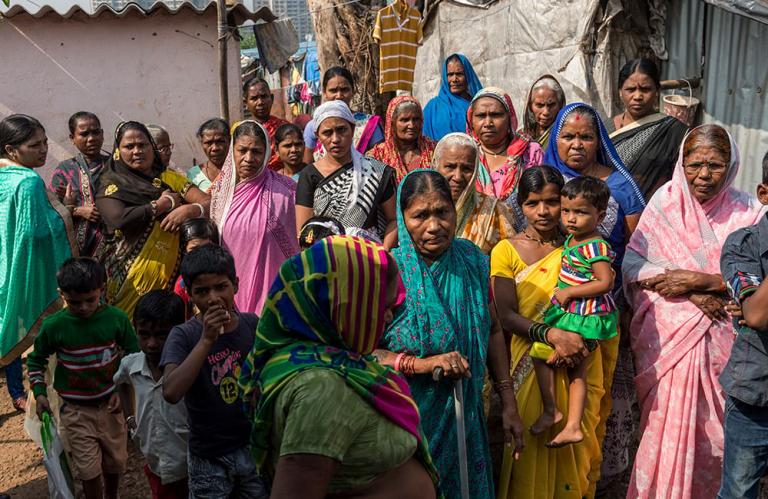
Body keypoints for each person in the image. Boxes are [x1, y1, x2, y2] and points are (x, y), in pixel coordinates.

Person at [622, 125, 766, 499]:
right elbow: (634, 266)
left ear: (732, 165)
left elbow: (757, 279)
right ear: (681, 163)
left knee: (719, 440)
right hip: (669, 346)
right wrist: (689, 292)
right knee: (664, 428)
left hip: (728, 353)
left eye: (715, 165)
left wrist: (703, 282)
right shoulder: (664, 203)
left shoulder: (749, 212)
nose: (704, 175)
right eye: (695, 164)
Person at [238, 235, 440, 498]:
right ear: (345, 303)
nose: (390, 316)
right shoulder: (321, 389)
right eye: (382, 305)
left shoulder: (321, 359)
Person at [376, 170, 524, 499]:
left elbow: (494, 330)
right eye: (420, 215)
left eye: (443, 212)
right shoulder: (389, 272)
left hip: (466, 417)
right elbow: (366, 355)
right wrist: (421, 365)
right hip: (409, 427)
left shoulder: (472, 260)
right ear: (402, 218)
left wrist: (508, 401)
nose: (434, 226)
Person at [492, 165, 612, 498]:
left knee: (575, 450)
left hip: (579, 359)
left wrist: (578, 341)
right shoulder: (507, 250)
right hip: (532, 364)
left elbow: (602, 300)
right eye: (532, 203)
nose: (543, 211)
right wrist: (550, 335)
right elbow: (505, 315)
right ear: (520, 205)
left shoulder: (581, 247)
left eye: (551, 202)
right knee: (530, 450)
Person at [543, 102, 645, 489]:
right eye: (567, 136)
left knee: (598, 400)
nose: (577, 144)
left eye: (586, 136)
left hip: (602, 313)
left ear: (600, 139)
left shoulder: (620, 184)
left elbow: (637, 249)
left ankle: (591, 483)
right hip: (552, 310)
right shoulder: (548, 182)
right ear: (555, 139)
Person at [161, 245, 267, 498]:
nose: (213, 298)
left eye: (221, 287)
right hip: (208, 456)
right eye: (202, 291)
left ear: (236, 285)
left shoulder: (252, 324)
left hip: (251, 448)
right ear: (190, 294)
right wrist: (206, 341)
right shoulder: (184, 335)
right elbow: (171, 391)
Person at [28, 258, 139, 499]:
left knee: (115, 463)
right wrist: (39, 394)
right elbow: (36, 361)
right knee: (88, 470)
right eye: (75, 302)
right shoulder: (54, 326)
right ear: (62, 295)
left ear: (102, 289)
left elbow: (133, 355)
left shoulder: (116, 319)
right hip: (76, 411)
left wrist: (123, 393)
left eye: (91, 300)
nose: (85, 308)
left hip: (111, 406)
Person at [530, 176, 618, 447]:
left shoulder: (594, 244)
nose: (570, 218)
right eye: (566, 211)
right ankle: (561, 417)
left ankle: (563, 419)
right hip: (574, 313)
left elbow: (605, 281)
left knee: (551, 358)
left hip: (585, 315)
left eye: (580, 212)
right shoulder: (575, 239)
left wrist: (568, 292)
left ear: (600, 215)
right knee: (569, 369)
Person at [95, 121, 210, 317]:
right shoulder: (111, 182)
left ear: (151, 147)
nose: (137, 151)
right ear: (118, 151)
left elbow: (210, 202)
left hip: (167, 277)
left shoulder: (170, 179)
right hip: (123, 278)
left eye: (142, 145)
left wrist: (189, 210)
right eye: (129, 147)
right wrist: (161, 205)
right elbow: (118, 219)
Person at [1, 114, 75, 413]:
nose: (44, 149)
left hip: (4, 267)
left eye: (44, 142)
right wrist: (65, 212)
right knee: (40, 342)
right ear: (11, 150)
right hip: (28, 272)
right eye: (35, 145)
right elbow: (35, 232)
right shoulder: (28, 180)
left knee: (10, 327)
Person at [718, 151, 768, 499]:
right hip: (755, 395)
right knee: (738, 492)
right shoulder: (743, 243)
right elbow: (757, 315)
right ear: (764, 194)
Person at [210, 120, 299, 315]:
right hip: (231, 290)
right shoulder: (220, 192)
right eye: (242, 151)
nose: (248, 158)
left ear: (267, 153)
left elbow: (297, 243)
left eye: (256, 152)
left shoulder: (287, 191)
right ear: (232, 151)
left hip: (275, 291)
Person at [115, 290, 189, 499]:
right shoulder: (132, 365)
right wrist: (130, 418)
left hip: (191, 462)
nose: (152, 343)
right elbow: (120, 383)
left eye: (161, 335)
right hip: (157, 461)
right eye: (144, 334)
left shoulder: (187, 368)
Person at [295, 101, 398, 248]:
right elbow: (303, 231)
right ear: (317, 135)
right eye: (327, 133)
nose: (335, 139)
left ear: (353, 129)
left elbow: (393, 220)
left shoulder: (375, 172)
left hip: (368, 258)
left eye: (342, 130)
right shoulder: (309, 175)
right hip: (325, 259)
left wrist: (384, 252)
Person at [608, 59, 689, 200]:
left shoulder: (674, 131)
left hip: (655, 212)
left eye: (645, 89)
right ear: (620, 92)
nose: (637, 96)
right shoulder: (605, 128)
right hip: (608, 212)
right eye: (630, 89)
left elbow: (682, 180)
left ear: (657, 91)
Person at [431, 132, 517, 252]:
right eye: (450, 167)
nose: (458, 177)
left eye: (466, 169)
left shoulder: (494, 211)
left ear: (476, 169)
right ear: (435, 165)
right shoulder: (420, 208)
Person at [467, 87, 544, 201]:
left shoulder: (530, 152)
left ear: (509, 118)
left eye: (496, 115)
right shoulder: (466, 154)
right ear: (471, 120)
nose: (488, 123)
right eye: (481, 116)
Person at [50, 111, 109, 257]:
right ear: (72, 138)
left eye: (96, 132)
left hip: (114, 246)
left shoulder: (115, 166)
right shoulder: (65, 170)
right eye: (84, 134)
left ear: (102, 134)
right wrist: (78, 211)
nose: (91, 139)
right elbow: (50, 211)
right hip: (77, 248)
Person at [301, 66, 384, 164]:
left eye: (344, 90)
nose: (339, 95)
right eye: (333, 90)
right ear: (324, 92)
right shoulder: (313, 126)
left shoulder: (369, 124)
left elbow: (380, 159)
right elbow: (308, 164)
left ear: (353, 91)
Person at [368, 96, 436, 182]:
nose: (411, 125)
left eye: (416, 119)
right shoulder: (377, 155)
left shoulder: (433, 150)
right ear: (392, 123)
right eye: (405, 120)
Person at [423, 53, 483, 141]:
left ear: (467, 76)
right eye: (450, 74)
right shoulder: (433, 107)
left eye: (459, 74)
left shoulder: (477, 105)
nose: (454, 79)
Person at [174, 218, 220, 319]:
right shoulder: (182, 285)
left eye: (206, 247)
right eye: (194, 249)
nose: (202, 254)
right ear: (184, 251)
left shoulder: (222, 276)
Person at [242, 77, 290, 171]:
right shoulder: (241, 132)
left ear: (271, 98)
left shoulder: (284, 128)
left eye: (264, 96)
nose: (260, 102)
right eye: (254, 98)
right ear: (245, 103)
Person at [520, 75, 566, 149]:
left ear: (560, 105)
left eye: (551, 105)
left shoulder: (564, 137)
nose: (546, 112)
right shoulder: (521, 136)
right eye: (539, 105)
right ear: (530, 106)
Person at [187, 118, 230, 192]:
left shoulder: (240, 170)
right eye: (208, 143)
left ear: (229, 140)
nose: (215, 148)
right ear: (201, 144)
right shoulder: (195, 174)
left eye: (220, 141)